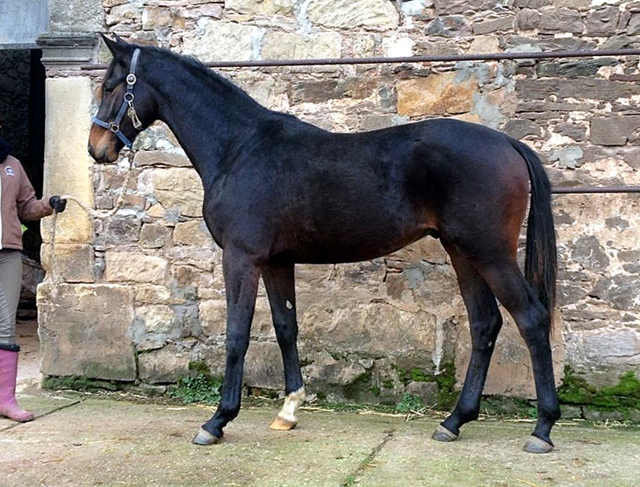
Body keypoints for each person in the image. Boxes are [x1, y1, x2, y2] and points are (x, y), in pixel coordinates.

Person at [0, 117, 66, 422]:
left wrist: (49, 204)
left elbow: (26, 207)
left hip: (8, 254)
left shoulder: (12, 165)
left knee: (5, 325)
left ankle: (6, 401)